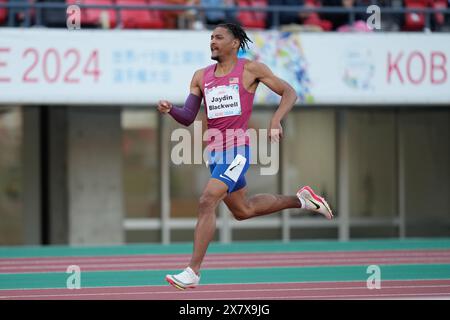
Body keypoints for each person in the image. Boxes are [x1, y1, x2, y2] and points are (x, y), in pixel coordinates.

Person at [157, 23, 333, 290]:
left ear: (235, 43)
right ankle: (302, 200)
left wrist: (275, 120)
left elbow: (290, 92)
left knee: (207, 200)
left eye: (219, 37)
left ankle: (193, 271)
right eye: (211, 38)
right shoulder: (200, 77)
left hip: (238, 150)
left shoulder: (251, 69)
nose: (212, 42)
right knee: (243, 210)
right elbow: (188, 117)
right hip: (214, 153)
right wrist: (171, 109)